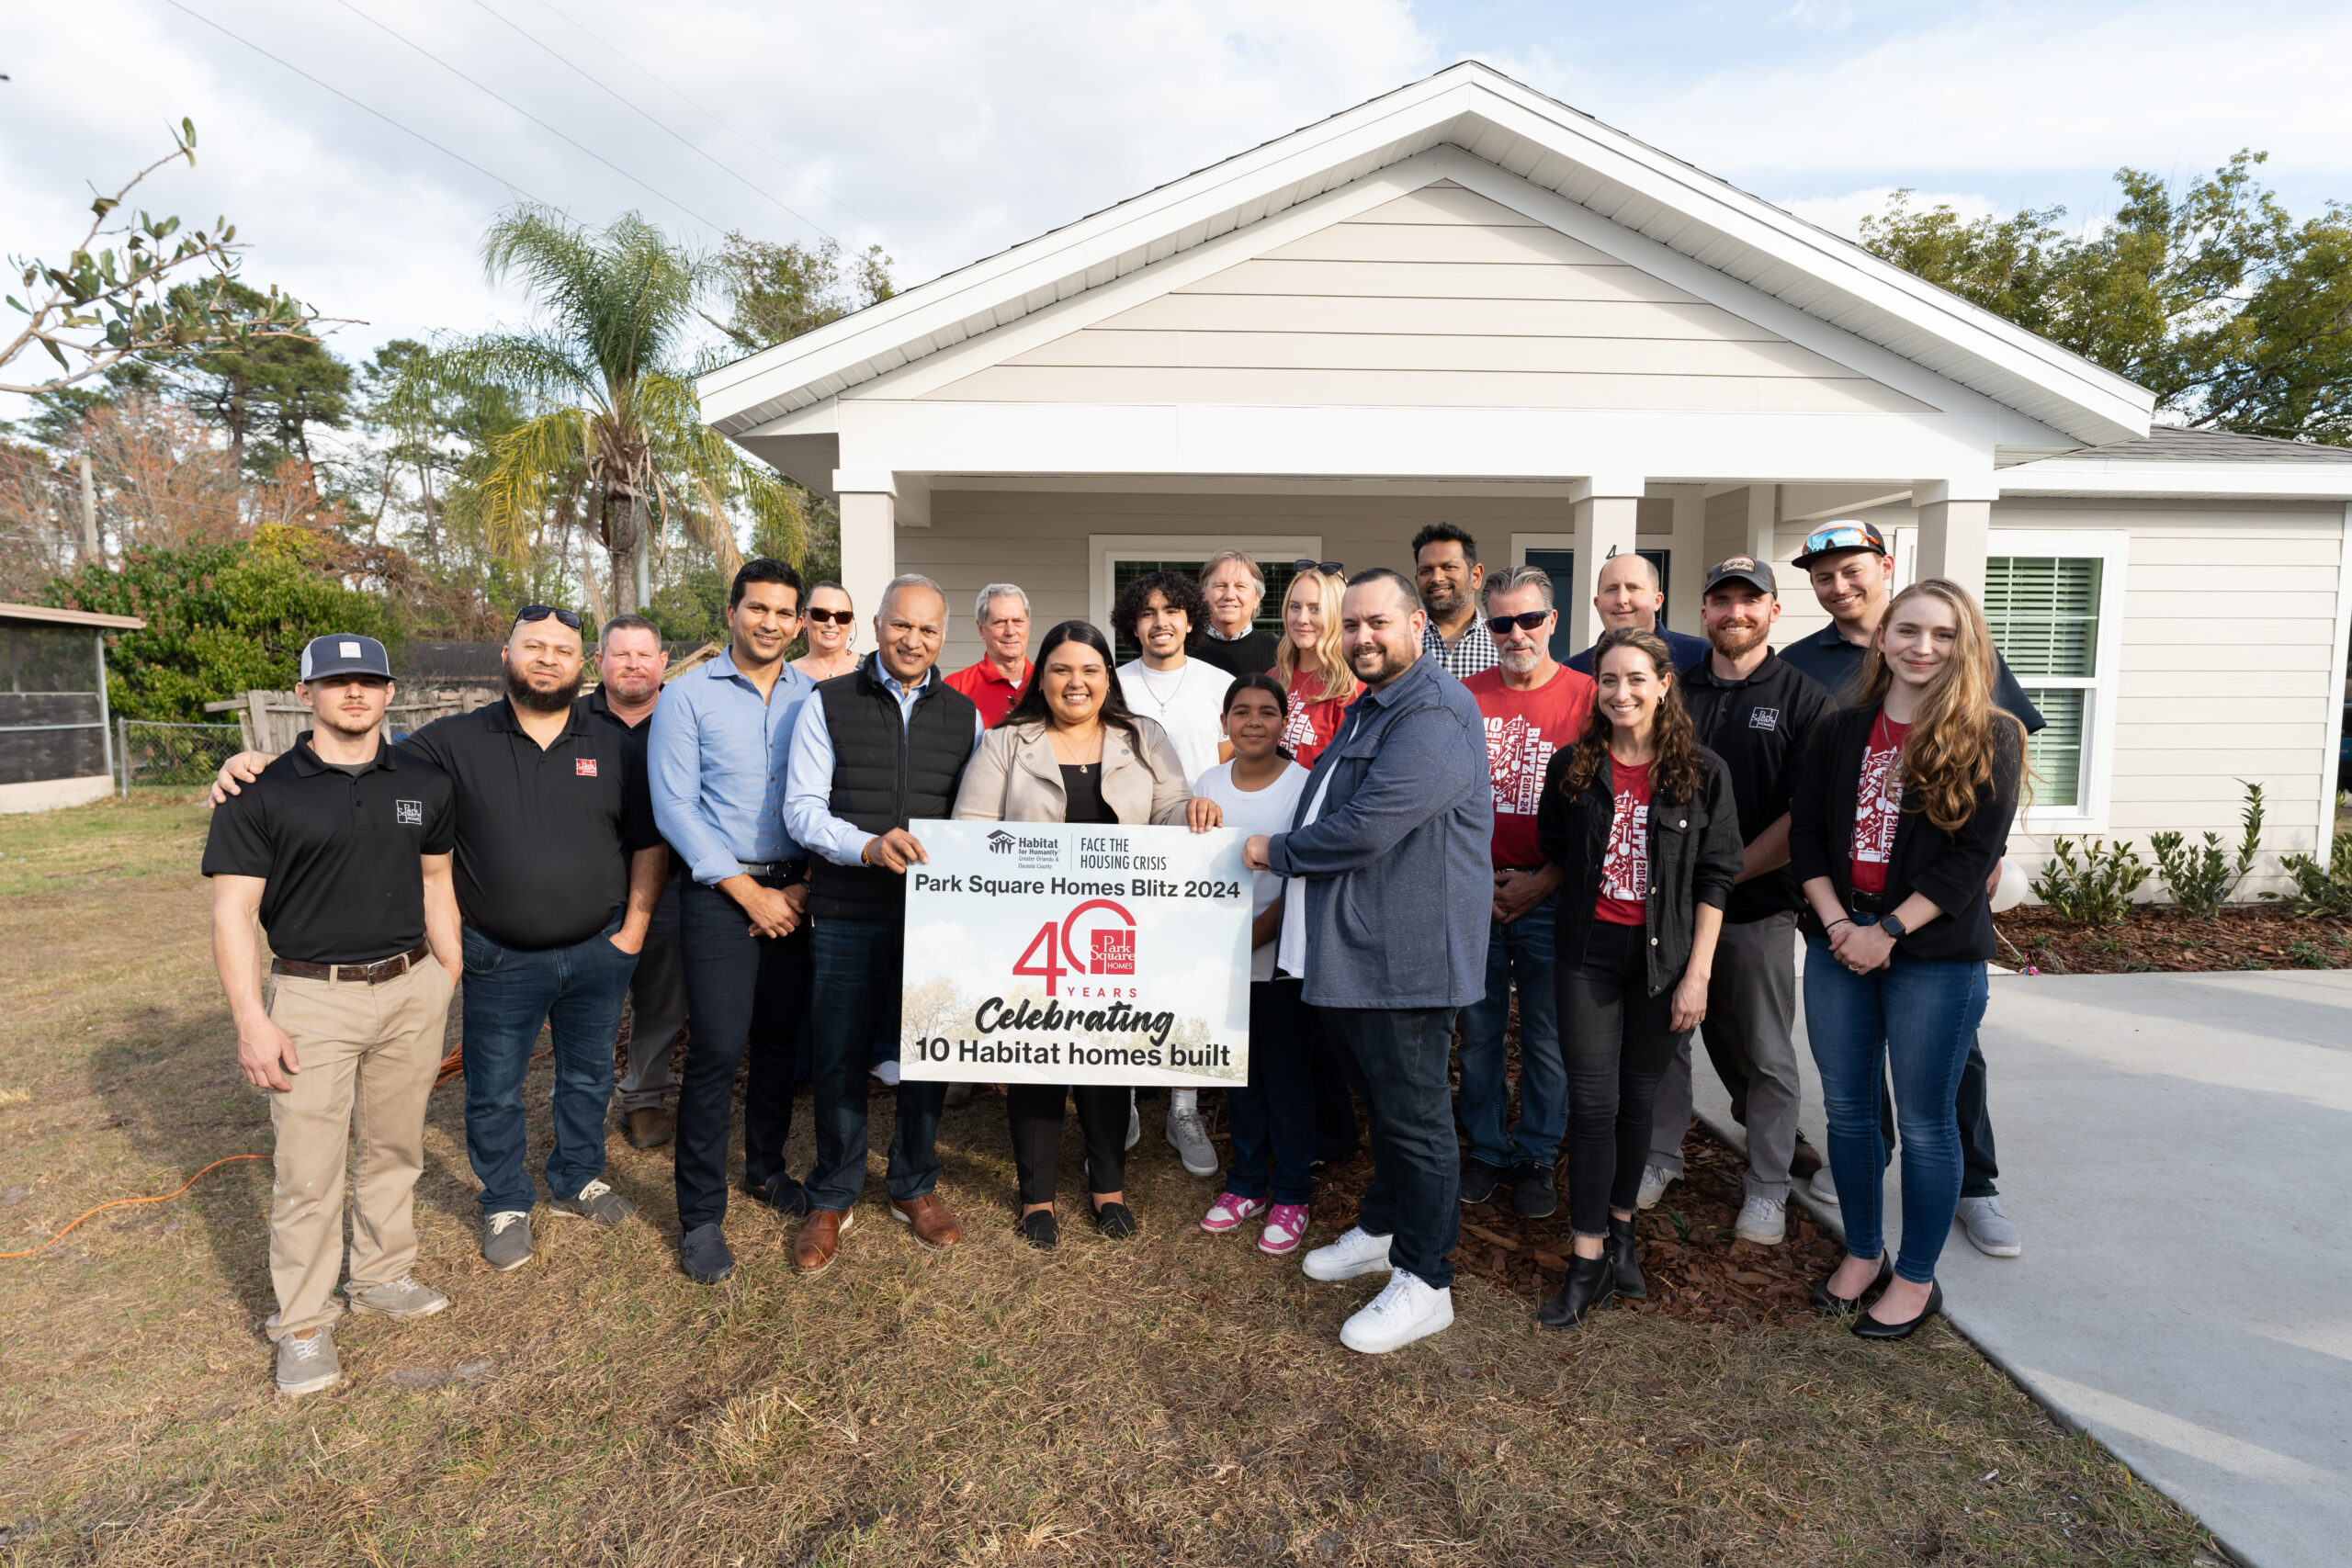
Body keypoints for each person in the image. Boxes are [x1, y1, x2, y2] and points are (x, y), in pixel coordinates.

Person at [213, 606, 668, 1273]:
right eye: (533, 646)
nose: (547, 658)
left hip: (598, 952)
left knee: (588, 1073)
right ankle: (505, 1198)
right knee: (493, 1086)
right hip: (497, 954)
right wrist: (258, 765)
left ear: (584, 665)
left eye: (563, 650)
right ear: (505, 655)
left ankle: (577, 1176)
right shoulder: (449, 742)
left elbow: (646, 843)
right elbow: (349, 756)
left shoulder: (615, 746)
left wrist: (631, 931)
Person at [203, 635, 461, 1395]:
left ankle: (382, 1273)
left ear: (389, 693)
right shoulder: (260, 790)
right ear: (305, 691)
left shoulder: (422, 779)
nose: (356, 694)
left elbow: (437, 882)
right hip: (312, 997)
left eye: (370, 681)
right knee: (309, 1170)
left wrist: (445, 977)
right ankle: (305, 1323)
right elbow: (232, 914)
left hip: (411, 986)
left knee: (395, 1145)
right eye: (338, 681)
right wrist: (253, 1019)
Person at [1244, 568, 1491, 1356]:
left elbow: (1367, 825)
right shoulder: (1372, 707)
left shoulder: (1436, 713)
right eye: (1351, 626)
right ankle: (1386, 1229)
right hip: (1358, 953)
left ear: (1418, 623)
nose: (1360, 638)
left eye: (1375, 622)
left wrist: (1271, 849)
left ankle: (1428, 1280)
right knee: (1387, 1106)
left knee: (1417, 1120)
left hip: (1408, 957)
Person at [1780, 518, 2036, 1259]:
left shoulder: (1991, 733)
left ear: (1967, 646)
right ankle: (1864, 1253)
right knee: (1851, 1115)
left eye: (1944, 635)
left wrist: (1886, 932)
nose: (1924, 646)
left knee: (1930, 1117)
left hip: (1932, 949)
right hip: (1838, 943)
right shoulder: (1840, 728)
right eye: (1910, 632)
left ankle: (1922, 1267)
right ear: (1884, 637)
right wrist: (1837, 928)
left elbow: (1969, 858)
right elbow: (1807, 837)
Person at [952, 620, 1197, 1247]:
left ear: (1106, 677)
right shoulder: (1008, 741)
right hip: (1030, 930)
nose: (1076, 681)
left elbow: (1170, 808)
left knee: (1109, 1058)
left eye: (1089, 669)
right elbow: (972, 828)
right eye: (1061, 668)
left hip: (1119, 925)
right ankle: (1036, 1197)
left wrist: (1193, 812)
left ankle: (1108, 1186)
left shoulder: (1144, 737)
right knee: (1035, 1057)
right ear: (1043, 677)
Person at [1533, 628, 1743, 1329]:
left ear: (1662, 684)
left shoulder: (1704, 771)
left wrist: (1699, 975)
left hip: (1664, 965)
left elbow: (1716, 876)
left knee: (1635, 1105)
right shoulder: (1571, 766)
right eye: (1608, 679)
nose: (1620, 692)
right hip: (1586, 956)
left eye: (1635, 678)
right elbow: (1555, 848)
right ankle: (1587, 1257)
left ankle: (1622, 1231)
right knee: (1591, 1106)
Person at [783, 573, 978, 1273]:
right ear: (877, 623)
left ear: (942, 636)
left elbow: (976, 816)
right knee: (836, 1055)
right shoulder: (827, 703)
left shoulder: (965, 714)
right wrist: (864, 846)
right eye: (902, 625)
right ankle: (833, 1191)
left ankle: (913, 1183)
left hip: (933, 919)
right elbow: (802, 810)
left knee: (927, 1052)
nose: (914, 640)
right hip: (846, 909)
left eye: (928, 629)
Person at [1636, 559, 1835, 1245]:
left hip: (1756, 906)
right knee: (1667, 1039)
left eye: (1749, 601)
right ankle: (1661, 1157)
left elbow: (1802, 819)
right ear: (1704, 612)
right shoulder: (1675, 690)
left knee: (1765, 1051)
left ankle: (1769, 1186)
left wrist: (1719, 879)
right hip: (1667, 908)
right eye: (1721, 601)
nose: (1735, 613)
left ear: (1774, 610)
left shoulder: (1804, 698)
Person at [647, 562, 819, 1285]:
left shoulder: (817, 695)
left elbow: (829, 792)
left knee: (782, 1043)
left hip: (800, 892)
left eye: (785, 612)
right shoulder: (685, 697)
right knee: (718, 1049)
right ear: (732, 612)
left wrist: (804, 886)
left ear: (800, 622)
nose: (771, 622)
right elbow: (675, 808)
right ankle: (700, 1216)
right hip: (724, 894)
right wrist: (749, 893)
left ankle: (767, 1168)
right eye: (759, 608)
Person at [1456, 567, 1596, 1221]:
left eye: (1529, 619)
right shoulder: (1462, 696)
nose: (1517, 634)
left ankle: (1537, 1153)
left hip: (1552, 893)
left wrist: (1549, 877)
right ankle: (1486, 1147)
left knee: (1546, 1033)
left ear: (1553, 620)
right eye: (1502, 623)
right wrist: (1476, 880)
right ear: (1489, 628)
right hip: (1473, 896)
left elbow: (1605, 809)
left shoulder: (1589, 698)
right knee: (1479, 1031)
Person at [1110, 568, 1229, 1174]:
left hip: (1196, 849)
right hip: (1127, 846)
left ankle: (1183, 1107)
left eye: (1172, 611)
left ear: (1190, 619)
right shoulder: (1112, 682)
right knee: (1128, 973)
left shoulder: (1217, 684)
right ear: (1133, 624)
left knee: (1187, 976)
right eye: (1147, 612)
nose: (1160, 621)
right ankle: (1124, 1100)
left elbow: (1233, 758)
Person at [1191, 676, 1315, 1255]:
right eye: (1241, 712)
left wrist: (1250, 941)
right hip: (1221, 960)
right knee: (1239, 1078)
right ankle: (1245, 1184)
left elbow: (1300, 881)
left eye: (1268, 712)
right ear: (1224, 723)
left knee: (1286, 1080)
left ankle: (1291, 1194)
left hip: (1281, 960)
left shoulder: (1304, 788)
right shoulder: (1208, 784)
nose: (1254, 721)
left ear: (1285, 723)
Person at [590, 615, 688, 1152]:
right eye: (621, 654)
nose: (633, 665)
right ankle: (580, 1095)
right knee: (588, 997)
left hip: (668, 882)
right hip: (588, 883)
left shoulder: (686, 714)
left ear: (662, 662)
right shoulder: (571, 720)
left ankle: (644, 1096)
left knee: (661, 996)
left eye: (644, 655)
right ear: (599, 661)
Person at [1272, 562, 1359, 769]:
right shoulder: (1273, 679)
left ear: (1338, 615)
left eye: (1315, 609)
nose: (1302, 619)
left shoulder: (1351, 690)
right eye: (1295, 607)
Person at [1564, 553, 1709, 675]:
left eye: (1633, 587)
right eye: (1611, 589)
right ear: (1597, 603)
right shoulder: (1574, 671)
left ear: (1657, 601)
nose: (1621, 600)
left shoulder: (1701, 656)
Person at [1412, 523, 1498, 679]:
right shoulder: (1402, 642)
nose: (1436, 578)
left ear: (1476, 576)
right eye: (1426, 571)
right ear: (1417, 581)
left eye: (1449, 567)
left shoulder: (1502, 643)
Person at [944, 582, 1035, 727]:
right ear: (981, 629)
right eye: (999, 622)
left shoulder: (1047, 683)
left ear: (1028, 626)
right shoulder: (955, 688)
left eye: (1018, 621)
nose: (1010, 631)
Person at [1193, 550, 1279, 677]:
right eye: (1221, 586)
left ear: (1257, 598)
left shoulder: (1278, 652)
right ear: (1204, 595)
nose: (1229, 596)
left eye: (1240, 586)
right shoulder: (1183, 648)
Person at [792, 581, 862, 682]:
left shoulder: (873, 668)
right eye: (820, 614)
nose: (831, 623)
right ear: (804, 617)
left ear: (851, 623)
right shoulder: (786, 676)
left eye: (842, 616)